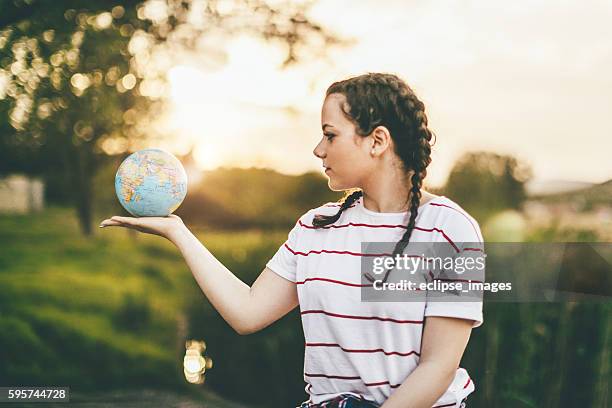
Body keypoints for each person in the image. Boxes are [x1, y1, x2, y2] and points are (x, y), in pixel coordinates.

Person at [100, 72, 484, 408]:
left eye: (330, 135)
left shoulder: (451, 231)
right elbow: (247, 313)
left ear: (377, 140)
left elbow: (438, 366)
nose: (318, 149)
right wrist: (179, 233)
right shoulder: (316, 227)